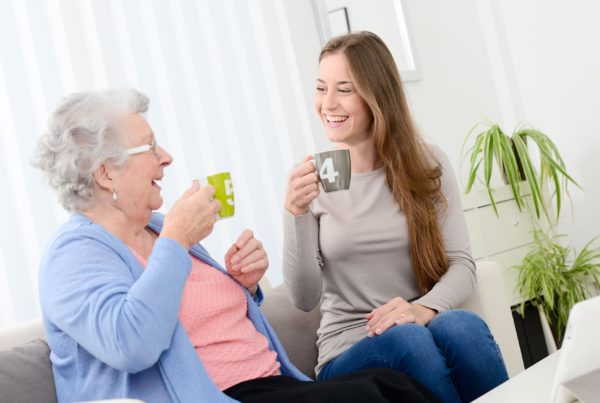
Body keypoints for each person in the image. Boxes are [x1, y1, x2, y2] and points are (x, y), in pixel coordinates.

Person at [33, 88, 441, 403]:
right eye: (151, 147)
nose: (168, 157)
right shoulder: (74, 255)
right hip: (225, 395)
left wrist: (241, 284)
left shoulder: (158, 228)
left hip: (269, 384)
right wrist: (177, 238)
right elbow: (131, 342)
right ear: (106, 173)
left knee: (392, 385)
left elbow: (196, 310)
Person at [283, 31, 509, 403]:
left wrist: (422, 309)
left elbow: (461, 264)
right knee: (409, 341)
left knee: (463, 327)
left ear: (377, 96)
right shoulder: (313, 178)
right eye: (321, 88)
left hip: (415, 326)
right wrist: (295, 212)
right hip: (348, 351)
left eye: (344, 89)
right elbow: (304, 298)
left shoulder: (427, 164)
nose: (327, 103)